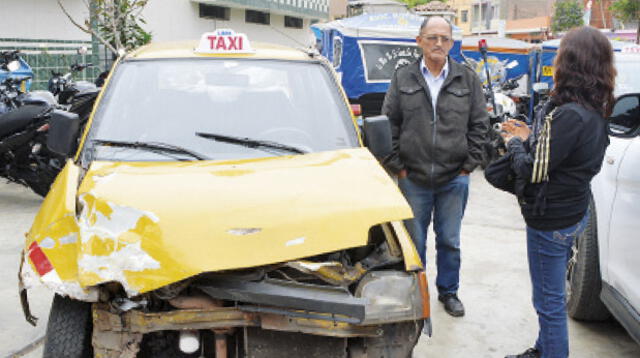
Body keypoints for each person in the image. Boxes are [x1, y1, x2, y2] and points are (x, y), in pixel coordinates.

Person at [500, 26, 615, 358]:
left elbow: (532, 171)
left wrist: (515, 143)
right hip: (573, 214)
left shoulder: (566, 115)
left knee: (548, 302)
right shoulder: (597, 110)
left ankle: (550, 351)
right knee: (553, 295)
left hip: (550, 222)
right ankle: (543, 348)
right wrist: (532, 137)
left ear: (570, 62)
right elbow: (565, 160)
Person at [381, 16, 488, 317]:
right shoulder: (403, 77)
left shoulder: (467, 78)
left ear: (452, 43)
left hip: (454, 178)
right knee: (413, 243)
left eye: (444, 38)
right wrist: (398, 166)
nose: (438, 43)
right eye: (432, 37)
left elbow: (480, 125)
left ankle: (449, 292)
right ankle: (416, 293)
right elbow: (389, 123)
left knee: (450, 241)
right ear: (419, 41)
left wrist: (468, 166)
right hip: (412, 178)